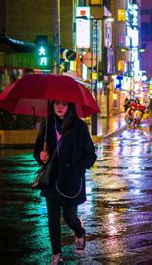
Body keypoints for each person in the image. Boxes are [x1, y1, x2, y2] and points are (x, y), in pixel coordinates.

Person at [34, 100, 97, 265]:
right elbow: (37, 152)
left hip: (71, 181)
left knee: (70, 218)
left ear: (70, 107)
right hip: (51, 181)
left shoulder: (79, 127)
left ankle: (79, 231)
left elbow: (90, 154)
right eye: (56, 104)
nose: (60, 107)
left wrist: (78, 169)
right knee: (53, 220)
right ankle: (56, 256)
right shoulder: (47, 126)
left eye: (64, 104)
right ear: (51, 106)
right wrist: (40, 157)